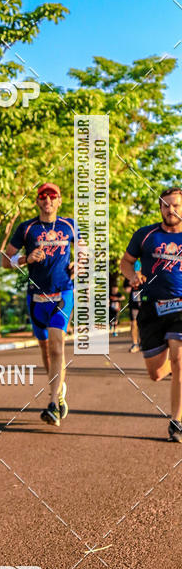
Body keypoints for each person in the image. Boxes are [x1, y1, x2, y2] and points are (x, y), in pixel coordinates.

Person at [2, 183, 82, 427]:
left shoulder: (70, 226)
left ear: (59, 201)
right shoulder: (26, 228)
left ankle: (53, 404)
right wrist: (26, 258)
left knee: (58, 348)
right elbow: (4, 260)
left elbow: (84, 253)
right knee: (47, 351)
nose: (47, 200)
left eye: (52, 196)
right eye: (43, 196)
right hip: (36, 297)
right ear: (37, 201)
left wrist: (78, 266)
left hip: (62, 293)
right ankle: (58, 389)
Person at [120, 187, 182, 443]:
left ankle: (176, 421)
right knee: (156, 374)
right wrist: (132, 275)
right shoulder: (145, 235)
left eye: (176, 205)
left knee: (179, 359)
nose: (171, 210)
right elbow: (125, 261)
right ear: (160, 208)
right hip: (151, 308)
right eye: (166, 205)